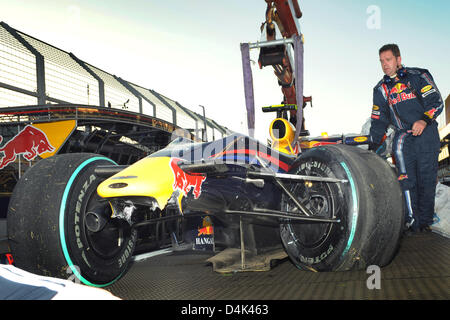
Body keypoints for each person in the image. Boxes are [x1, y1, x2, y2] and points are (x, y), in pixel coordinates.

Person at [368, 44, 444, 233]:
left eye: (388, 60)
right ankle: (411, 222)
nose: (385, 65)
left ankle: (425, 222)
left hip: (426, 135)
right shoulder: (380, 89)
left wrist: (424, 120)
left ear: (398, 60)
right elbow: (378, 121)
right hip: (403, 139)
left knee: (426, 181)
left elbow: (437, 102)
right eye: (381, 61)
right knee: (406, 180)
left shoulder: (419, 76)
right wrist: (372, 146)